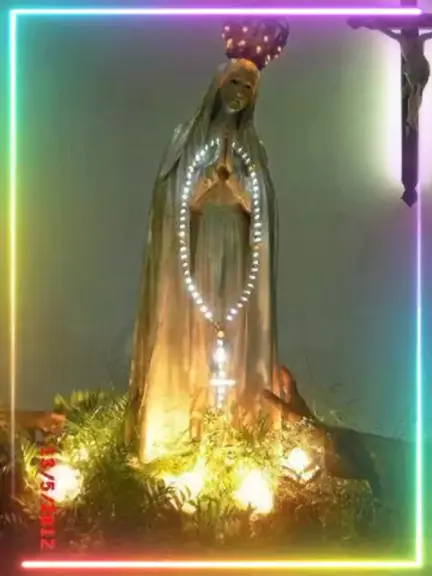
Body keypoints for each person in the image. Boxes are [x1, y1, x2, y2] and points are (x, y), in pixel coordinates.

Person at [127, 59, 281, 461]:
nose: (239, 93)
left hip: (236, 246)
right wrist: (212, 177)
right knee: (194, 329)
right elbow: (174, 200)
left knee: (232, 332)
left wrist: (237, 184)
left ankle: (232, 431)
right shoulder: (187, 138)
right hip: (198, 247)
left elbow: (261, 208)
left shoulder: (254, 148)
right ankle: (183, 428)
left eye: (248, 88)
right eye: (234, 82)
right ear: (218, 85)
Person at [377, 26, 432, 132]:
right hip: (421, 66)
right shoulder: (419, 39)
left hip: (415, 66)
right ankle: (411, 118)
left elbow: (387, 31)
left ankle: (411, 118)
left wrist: (374, 24)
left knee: (416, 91)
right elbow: (387, 32)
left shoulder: (404, 39)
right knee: (417, 91)